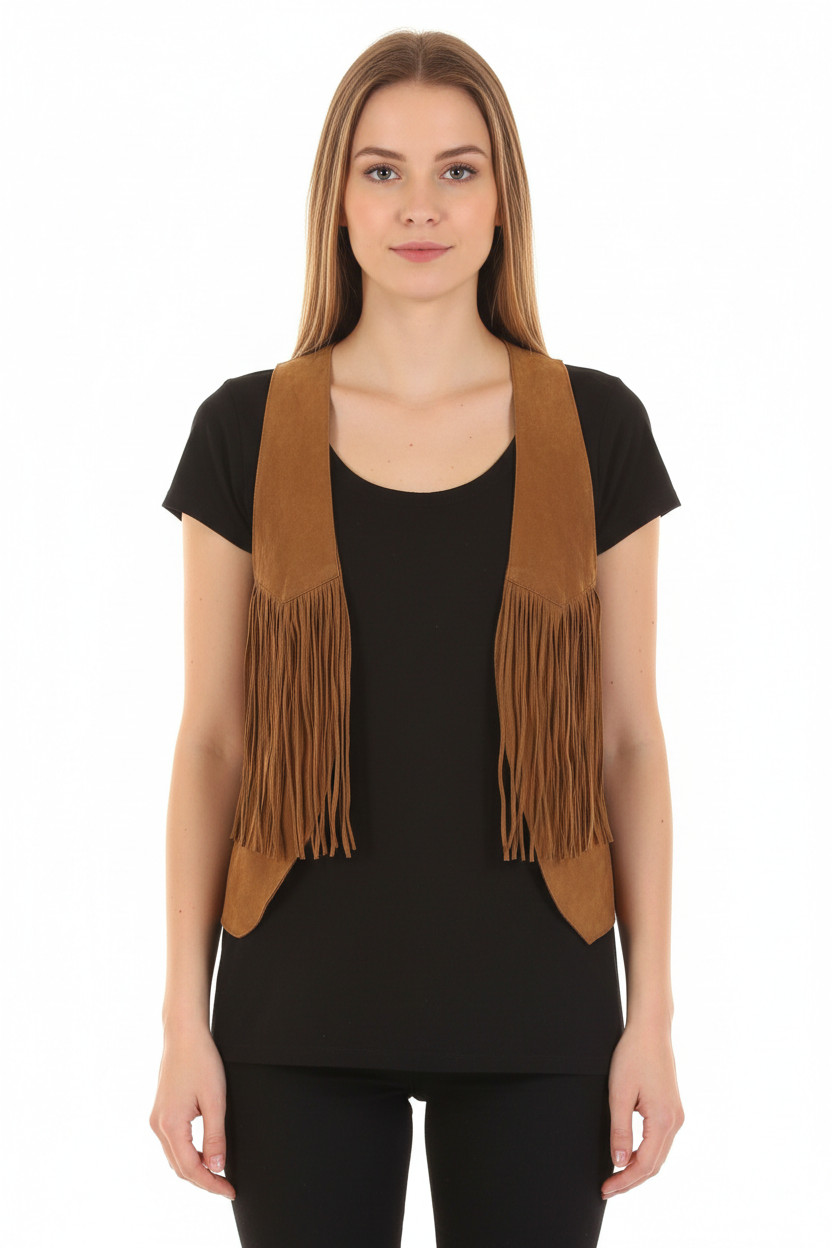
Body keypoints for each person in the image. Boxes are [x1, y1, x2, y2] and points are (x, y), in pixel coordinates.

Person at [149, 28, 685, 1248]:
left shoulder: (597, 428)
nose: (420, 207)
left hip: (540, 1008)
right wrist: (184, 1019)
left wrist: (649, 1014)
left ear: (502, 201)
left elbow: (627, 741)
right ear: (338, 200)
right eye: (382, 170)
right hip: (295, 1012)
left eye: (458, 169)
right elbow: (213, 743)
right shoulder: (243, 431)